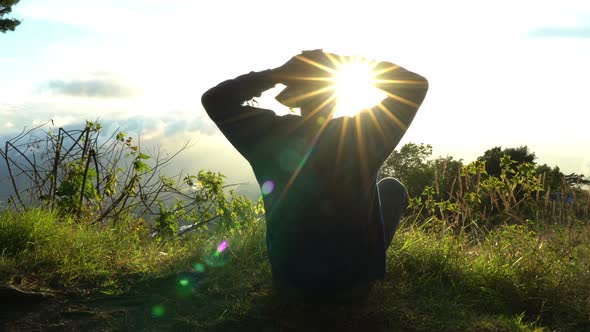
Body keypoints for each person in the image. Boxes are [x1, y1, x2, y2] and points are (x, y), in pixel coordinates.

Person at [202, 49, 428, 301]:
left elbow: (215, 100)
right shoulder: (360, 133)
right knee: (391, 188)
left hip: (291, 284)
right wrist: (349, 63)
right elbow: (415, 86)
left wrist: (276, 74)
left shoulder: (266, 136)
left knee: (382, 186)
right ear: (335, 95)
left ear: (294, 98)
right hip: (353, 286)